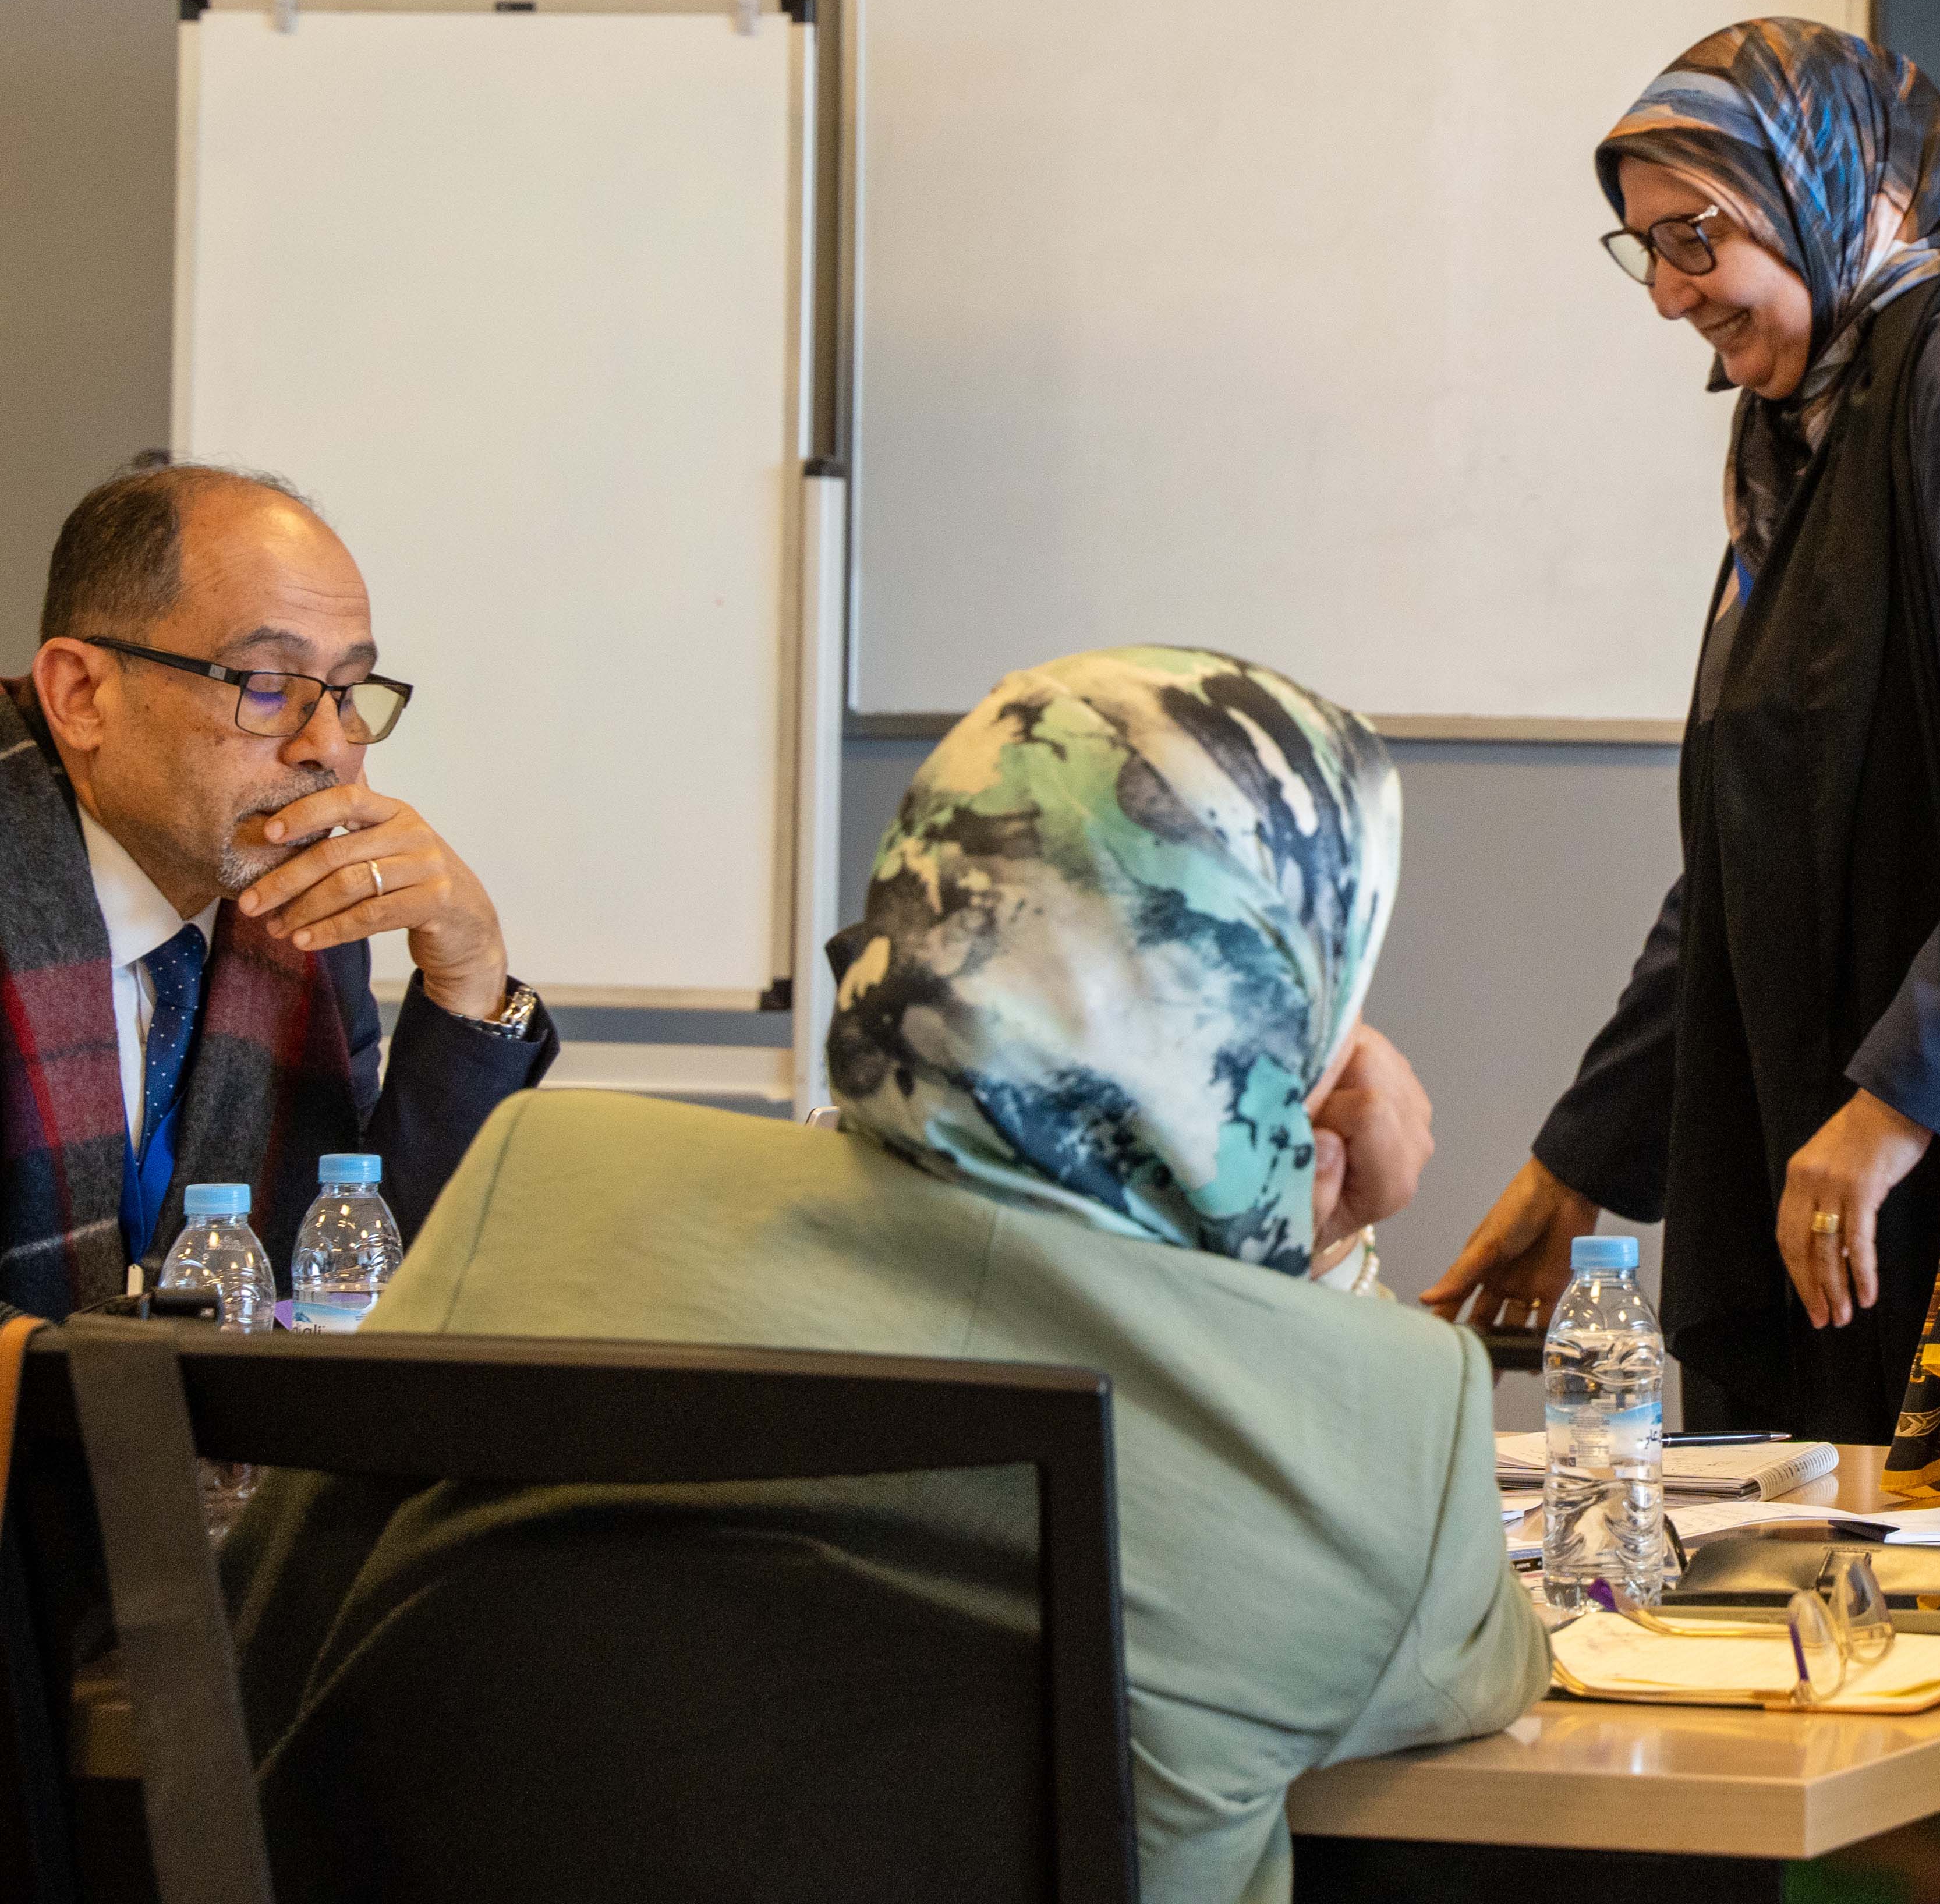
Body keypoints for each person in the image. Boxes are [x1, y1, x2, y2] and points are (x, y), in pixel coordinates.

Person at [225, 646, 1539, 1904]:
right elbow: (1474, 1675)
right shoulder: (1377, 1428)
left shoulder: (548, 1183)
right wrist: (1304, 1255)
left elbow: (259, 1637)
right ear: (1285, 1011)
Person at [1424, 20, 1940, 1437]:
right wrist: (1578, 1157)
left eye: (1698, 235)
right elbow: (1746, 851)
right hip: (1835, 1169)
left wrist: (1897, 1103)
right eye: (1647, 247)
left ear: (1834, 187)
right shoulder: (1801, 431)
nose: (1670, 294)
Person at [0, 456, 551, 1315]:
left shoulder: (308, 907)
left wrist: (470, 986)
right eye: (267, 686)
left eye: (347, 692)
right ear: (81, 695)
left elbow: (368, 1292)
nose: (328, 746)